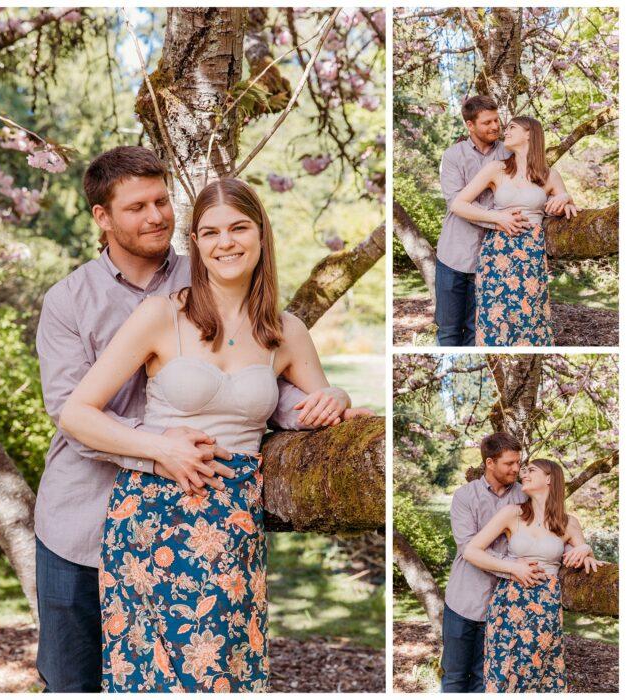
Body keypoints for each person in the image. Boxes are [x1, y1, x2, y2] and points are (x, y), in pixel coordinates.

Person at [34, 147, 362, 692]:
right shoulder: (71, 301)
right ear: (103, 217)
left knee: (213, 671)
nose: (156, 216)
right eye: (137, 206)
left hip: (219, 514)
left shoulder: (211, 269)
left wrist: (328, 400)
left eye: (162, 201)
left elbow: (258, 378)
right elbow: (69, 409)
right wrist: (160, 446)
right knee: (78, 679)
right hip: (85, 511)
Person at [441, 433, 594, 693]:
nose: (517, 470)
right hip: (468, 599)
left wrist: (585, 548)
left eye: (521, 464)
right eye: (510, 464)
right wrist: (514, 566)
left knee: (492, 679)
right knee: (456, 677)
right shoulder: (469, 497)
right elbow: (469, 548)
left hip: (521, 605)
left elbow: (559, 541)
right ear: (490, 463)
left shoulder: (523, 498)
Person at [435, 95, 572, 346]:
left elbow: (551, 192)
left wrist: (565, 197)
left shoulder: (511, 154)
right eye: (488, 122)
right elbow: (456, 202)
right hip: (458, 252)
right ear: (470, 126)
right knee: (450, 330)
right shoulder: (457, 156)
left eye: (499, 121)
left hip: (516, 254)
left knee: (496, 326)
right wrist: (497, 218)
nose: (497, 127)